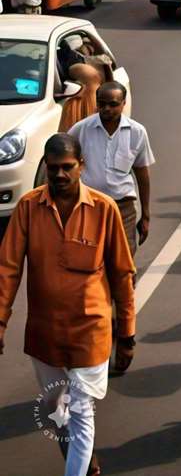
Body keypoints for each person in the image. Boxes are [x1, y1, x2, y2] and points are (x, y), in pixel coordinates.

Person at [0, 133, 135, 476]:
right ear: (45, 166)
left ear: (81, 167)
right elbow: (8, 269)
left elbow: (122, 275)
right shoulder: (28, 207)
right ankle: (82, 457)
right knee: (53, 409)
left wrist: (128, 333)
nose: (59, 175)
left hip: (91, 331)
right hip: (45, 335)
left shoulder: (104, 210)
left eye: (67, 167)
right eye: (53, 168)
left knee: (81, 410)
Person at [69, 81, 155, 257]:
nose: (107, 108)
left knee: (123, 259)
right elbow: (63, 159)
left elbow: (142, 174)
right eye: (101, 104)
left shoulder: (137, 132)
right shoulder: (81, 129)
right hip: (89, 206)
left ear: (124, 103)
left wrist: (146, 215)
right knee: (90, 257)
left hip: (123, 207)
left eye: (113, 104)